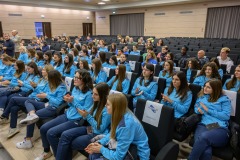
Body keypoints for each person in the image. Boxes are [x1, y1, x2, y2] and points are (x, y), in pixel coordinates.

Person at [35, 69, 93, 159]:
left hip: (77, 120)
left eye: (78, 77)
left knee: (51, 133)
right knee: (43, 128)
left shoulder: (89, 94)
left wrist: (72, 101)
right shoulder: (75, 88)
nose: (75, 79)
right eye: (75, 77)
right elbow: (70, 105)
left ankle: (61, 156)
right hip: (68, 114)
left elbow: (84, 112)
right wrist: (68, 100)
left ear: (84, 80)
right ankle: (51, 152)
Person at [55, 83, 111, 160]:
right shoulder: (96, 102)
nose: (92, 96)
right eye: (92, 93)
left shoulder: (107, 109)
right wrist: (72, 101)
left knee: (70, 142)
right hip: (90, 128)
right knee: (65, 135)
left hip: (98, 134)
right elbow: (85, 112)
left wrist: (87, 116)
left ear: (103, 95)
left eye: (96, 94)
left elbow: (100, 129)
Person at [86, 93, 150, 160]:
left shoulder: (125, 125)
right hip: (127, 145)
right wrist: (99, 143)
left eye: (107, 104)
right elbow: (112, 133)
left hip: (136, 154)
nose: (105, 106)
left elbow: (118, 157)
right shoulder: (119, 114)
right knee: (93, 154)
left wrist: (101, 149)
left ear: (116, 107)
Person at [0, 65, 55, 137]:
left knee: (13, 99)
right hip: (30, 96)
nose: (42, 71)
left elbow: (43, 93)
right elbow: (34, 90)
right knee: (14, 108)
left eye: (44, 70)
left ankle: (4, 116)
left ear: (48, 72)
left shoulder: (49, 82)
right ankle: (13, 129)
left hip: (36, 100)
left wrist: (33, 86)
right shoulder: (42, 79)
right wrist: (34, 87)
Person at [188, 79, 231, 160]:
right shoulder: (202, 96)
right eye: (205, 86)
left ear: (215, 89)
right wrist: (199, 111)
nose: (205, 88)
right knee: (206, 151)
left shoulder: (224, 99)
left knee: (203, 137)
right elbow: (196, 107)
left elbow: (226, 116)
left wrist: (208, 110)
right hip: (203, 125)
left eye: (208, 87)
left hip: (219, 127)